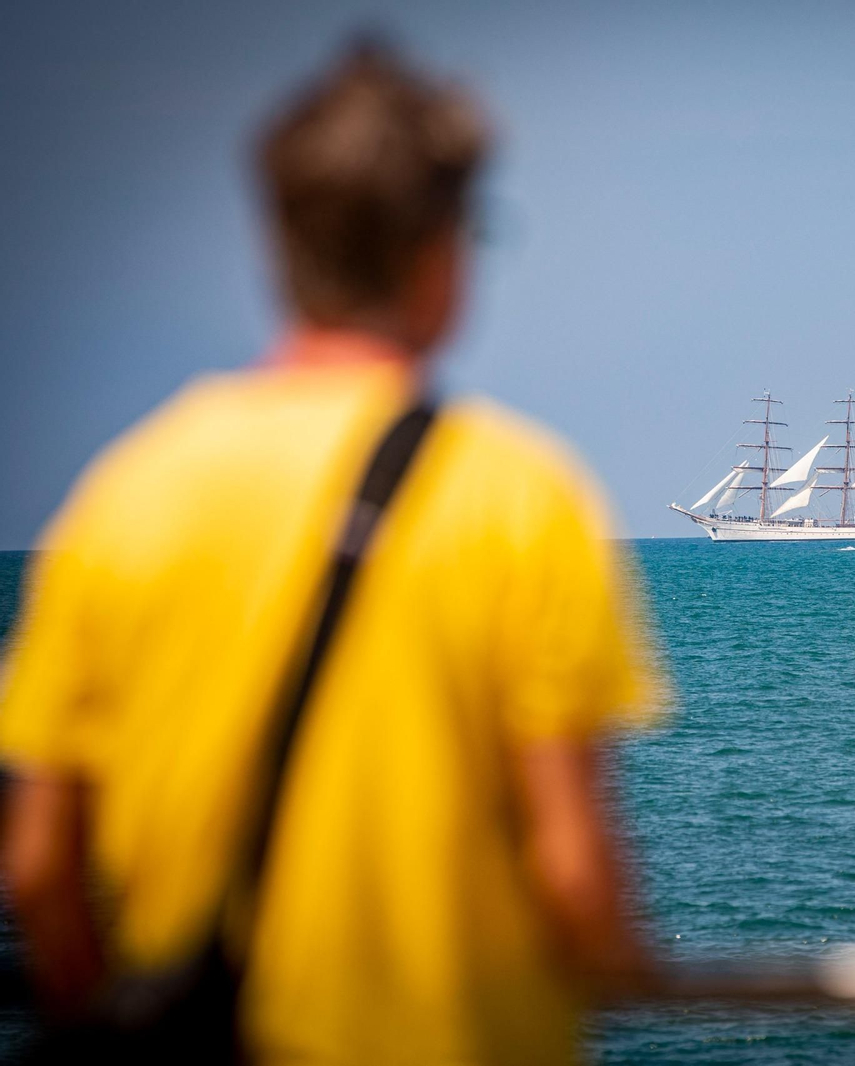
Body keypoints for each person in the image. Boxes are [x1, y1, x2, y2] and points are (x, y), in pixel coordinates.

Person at [0, 41, 661, 1065]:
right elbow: (577, 877)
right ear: (439, 254)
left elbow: (39, 868)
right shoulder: (523, 496)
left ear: (280, 243)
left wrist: (119, 1015)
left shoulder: (120, 495)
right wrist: (626, 969)